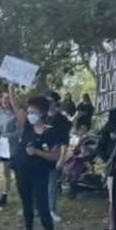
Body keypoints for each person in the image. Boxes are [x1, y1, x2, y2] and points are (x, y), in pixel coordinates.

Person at [13, 96, 63, 230]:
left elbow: (55, 155)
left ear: (41, 113)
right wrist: (11, 87)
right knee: (26, 202)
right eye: (28, 112)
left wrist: (37, 152)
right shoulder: (27, 126)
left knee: (42, 205)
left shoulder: (50, 133)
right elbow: (17, 107)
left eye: (33, 112)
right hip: (22, 170)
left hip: (39, 173)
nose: (29, 115)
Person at [46, 91, 72, 223]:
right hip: (39, 155)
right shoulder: (40, 116)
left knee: (52, 184)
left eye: (51, 101)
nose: (49, 103)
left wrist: (62, 158)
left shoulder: (62, 120)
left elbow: (64, 141)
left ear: (56, 102)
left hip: (54, 155)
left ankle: (52, 210)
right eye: (47, 100)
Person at [0, 92, 18, 208]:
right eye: (4, 99)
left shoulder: (15, 115)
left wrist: (7, 136)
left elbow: (19, 132)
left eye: (8, 99)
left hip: (8, 145)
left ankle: (4, 195)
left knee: (6, 171)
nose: (5, 101)